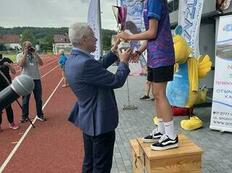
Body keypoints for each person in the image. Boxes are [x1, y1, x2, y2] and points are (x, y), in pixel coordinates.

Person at [65, 22, 132, 173]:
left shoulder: (73, 60)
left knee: (89, 163)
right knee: (101, 167)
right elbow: (117, 81)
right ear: (83, 40)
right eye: (93, 37)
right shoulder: (86, 63)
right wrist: (124, 62)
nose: (96, 40)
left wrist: (113, 51)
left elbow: (98, 66)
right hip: (100, 123)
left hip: (88, 121)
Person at [118, 0, 177, 151]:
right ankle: (161, 130)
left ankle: (171, 136)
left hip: (162, 55)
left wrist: (129, 37)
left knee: (159, 93)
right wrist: (139, 51)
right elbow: (150, 36)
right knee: (156, 95)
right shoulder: (147, 2)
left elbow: (152, 32)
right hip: (154, 56)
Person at [16, 41, 46, 122]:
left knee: (38, 98)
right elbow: (21, 65)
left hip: (36, 79)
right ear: (24, 47)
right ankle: (24, 116)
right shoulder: (19, 55)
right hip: (26, 80)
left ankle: (40, 114)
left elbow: (41, 63)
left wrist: (35, 53)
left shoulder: (34, 55)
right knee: (25, 100)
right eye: (28, 46)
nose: (30, 48)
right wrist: (25, 53)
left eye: (30, 46)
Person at [0, 54, 19, 131]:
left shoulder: (6, 60)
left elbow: (14, 72)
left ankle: (11, 123)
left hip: (7, 86)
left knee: (8, 106)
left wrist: (9, 65)